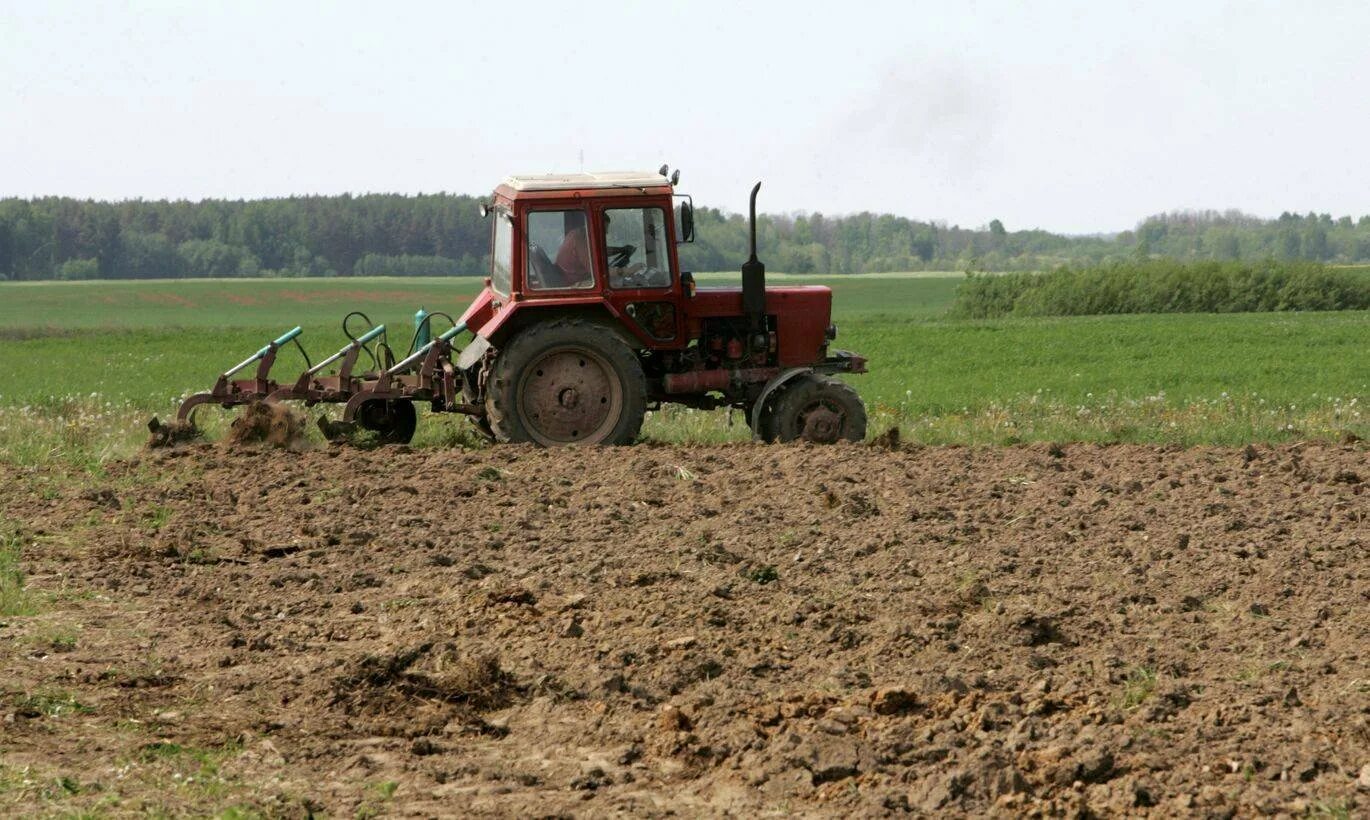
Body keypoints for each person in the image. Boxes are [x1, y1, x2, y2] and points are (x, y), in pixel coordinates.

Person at [554, 211, 592, 287]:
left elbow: (599, 250)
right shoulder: (580, 237)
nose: (606, 232)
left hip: (574, 278)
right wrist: (620, 271)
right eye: (605, 229)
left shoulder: (577, 234)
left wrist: (619, 250)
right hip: (572, 283)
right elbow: (593, 269)